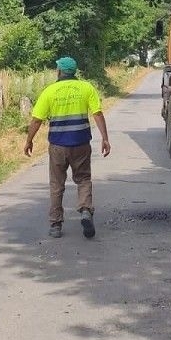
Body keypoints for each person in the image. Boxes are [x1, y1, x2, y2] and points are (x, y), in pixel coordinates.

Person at [23, 57, 110, 239]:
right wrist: (105, 138)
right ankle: (85, 209)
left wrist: (29, 140)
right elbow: (98, 114)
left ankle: (55, 225)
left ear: (60, 71)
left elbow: (37, 120)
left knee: (57, 184)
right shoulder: (86, 88)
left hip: (58, 146)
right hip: (81, 144)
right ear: (74, 71)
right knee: (84, 179)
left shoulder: (50, 91)